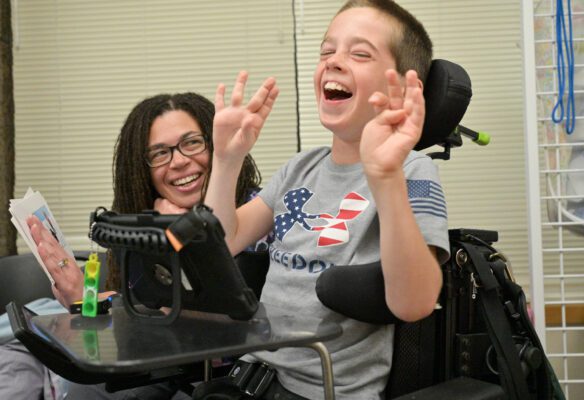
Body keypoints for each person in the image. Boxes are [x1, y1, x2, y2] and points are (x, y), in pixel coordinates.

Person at [203, 1, 449, 399]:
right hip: (250, 376)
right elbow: (222, 242)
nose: (333, 61)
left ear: (402, 87)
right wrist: (227, 161)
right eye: (327, 51)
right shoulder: (299, 169)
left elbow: (415, 303)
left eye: (359, 53)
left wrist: (384, 177)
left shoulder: (412, 171)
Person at [0, 91, 266, 400]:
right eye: (159, 154)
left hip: (223, 374)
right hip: (157, 361)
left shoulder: (257, 213)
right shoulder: (144, 222)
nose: (180, 161)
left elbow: (221, 322)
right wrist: (82, 293)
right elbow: (137, 304)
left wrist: (183, 244)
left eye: (192, 143)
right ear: (142, 170)